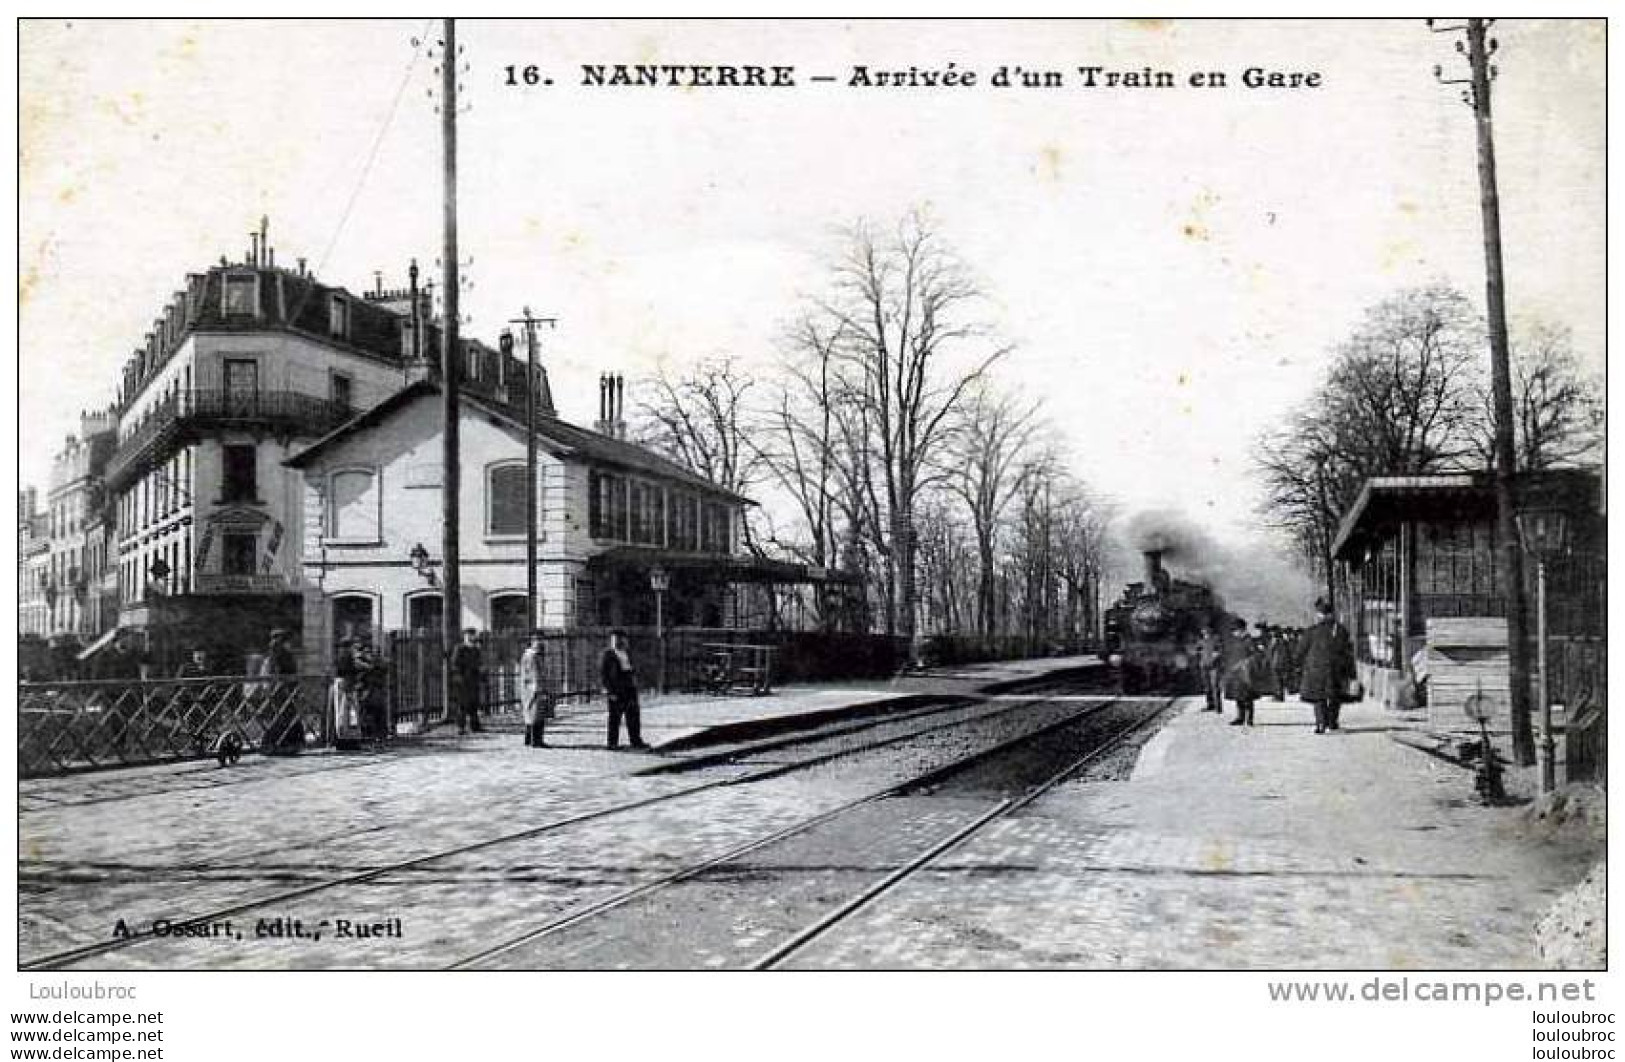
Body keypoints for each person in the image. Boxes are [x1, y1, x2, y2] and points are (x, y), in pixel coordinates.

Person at [1298, 597, 1356, 734]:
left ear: (1319, 615)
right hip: (1336, 669)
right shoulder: (1341, 631)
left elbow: (1300, 651)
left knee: (1319, 697)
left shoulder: (1311, 632)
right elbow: (1348, 652)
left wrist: (1299, 665)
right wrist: (1351, 671)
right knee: (1335, 696)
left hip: (1315, 670)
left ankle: (1320, 724)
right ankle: (1332, 722)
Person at [600, 630, 646, 750]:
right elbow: (604, 675)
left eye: (620, 639)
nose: (617, 642)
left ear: (625, 640)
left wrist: (635, 682)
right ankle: (612, 743)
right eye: (614, 640)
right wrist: (610, 691)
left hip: (629, 688)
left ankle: (636, 741)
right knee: (615, 717)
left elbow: (633, 669)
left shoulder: (628, 653)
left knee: (633, 716)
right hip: (616, 689)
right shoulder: (608, 655)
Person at [261, 628, 304, 755]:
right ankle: (279, 744)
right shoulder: (279, 653)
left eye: (278, 639)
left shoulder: (280, 654)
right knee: (282, 715)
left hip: (283, 688)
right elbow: (276, 671)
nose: (275, 642)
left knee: (284, 714)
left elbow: (285, 671)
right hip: (282, 688)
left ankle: (281, 744)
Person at [519, 631, 553, 748]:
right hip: (533, 688)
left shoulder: (537, 654)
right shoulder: (531, 656)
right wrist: (539, 689)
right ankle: (536, 741)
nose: (540, 642)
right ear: (532, 641)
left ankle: (529, 739)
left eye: (541, 640)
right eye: (537, 640)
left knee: (534, 714)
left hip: (534, 687)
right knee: (535, 714)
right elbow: (534, 674)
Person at [1222, 617, 1257, 727]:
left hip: (1246, 672)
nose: (1234, 632)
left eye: (1236, 630)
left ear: (1242, 629)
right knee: (1238, 695)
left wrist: (1244, 663)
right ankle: (1240, 717)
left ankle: (1250, 719)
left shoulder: (1249, 640)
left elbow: (1254, 655)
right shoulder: (1235, 641)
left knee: (1248, 696)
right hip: (1235, 672)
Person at [450, 628, 485, 734]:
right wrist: (459, 676)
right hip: (462, 680)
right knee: (462, 704)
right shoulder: (460, 648)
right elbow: (454, 663)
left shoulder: (475, 649)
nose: (471, 637)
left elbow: (479, 663)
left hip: (473, 679)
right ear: (465, 636)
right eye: (469, 635)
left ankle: (475, 726)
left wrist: (480, 671)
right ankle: (460, 727)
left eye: (473, 635)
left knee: (474, 703)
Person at [331, 639, 362, 750]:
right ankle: (347, 740)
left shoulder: (341, 656)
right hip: (346, 685)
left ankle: (345, 738)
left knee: (345, 714)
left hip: (344, 684)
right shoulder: (346, 657)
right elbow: (349, 672)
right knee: (346, 714)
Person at [1196, 624, 1223, 712]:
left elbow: (1220, 650)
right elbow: (1197, 650)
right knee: (1207, 686)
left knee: (1215, 685)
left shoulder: (1216, 639)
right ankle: (1210, 704)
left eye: (1206, 630)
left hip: (1214, 666)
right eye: (1203, 631)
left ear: (1210, 631)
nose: (1205, 632)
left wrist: (1215, 656)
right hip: (1204, 666)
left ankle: (1218, 706)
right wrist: (1201, 658)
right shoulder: (1201, 641)